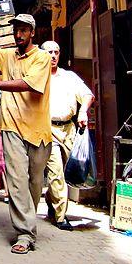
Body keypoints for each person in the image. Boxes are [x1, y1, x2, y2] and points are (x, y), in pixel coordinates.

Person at [0, 13, 52, 254]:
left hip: (38, 131)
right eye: (16, 30)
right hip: (11, 128)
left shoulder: (42, 58)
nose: (18, 34)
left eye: (23, 30)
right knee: (17, 182)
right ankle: (25, 233)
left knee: (35, 183)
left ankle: (28, 219)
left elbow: (29, 85)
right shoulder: (8, 56)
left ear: (32, 33)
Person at [41, 40, 95, 231]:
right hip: (48, 130)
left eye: (56, 52)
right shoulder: (38, 77)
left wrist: (83, 112)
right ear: (42, 54)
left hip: (69, 130)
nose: (53, 56)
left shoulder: (69, 77)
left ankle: (51, 200)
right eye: (49, 52)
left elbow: (88, 95)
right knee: (56, 173)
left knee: (65, 172)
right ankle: (60, 217)